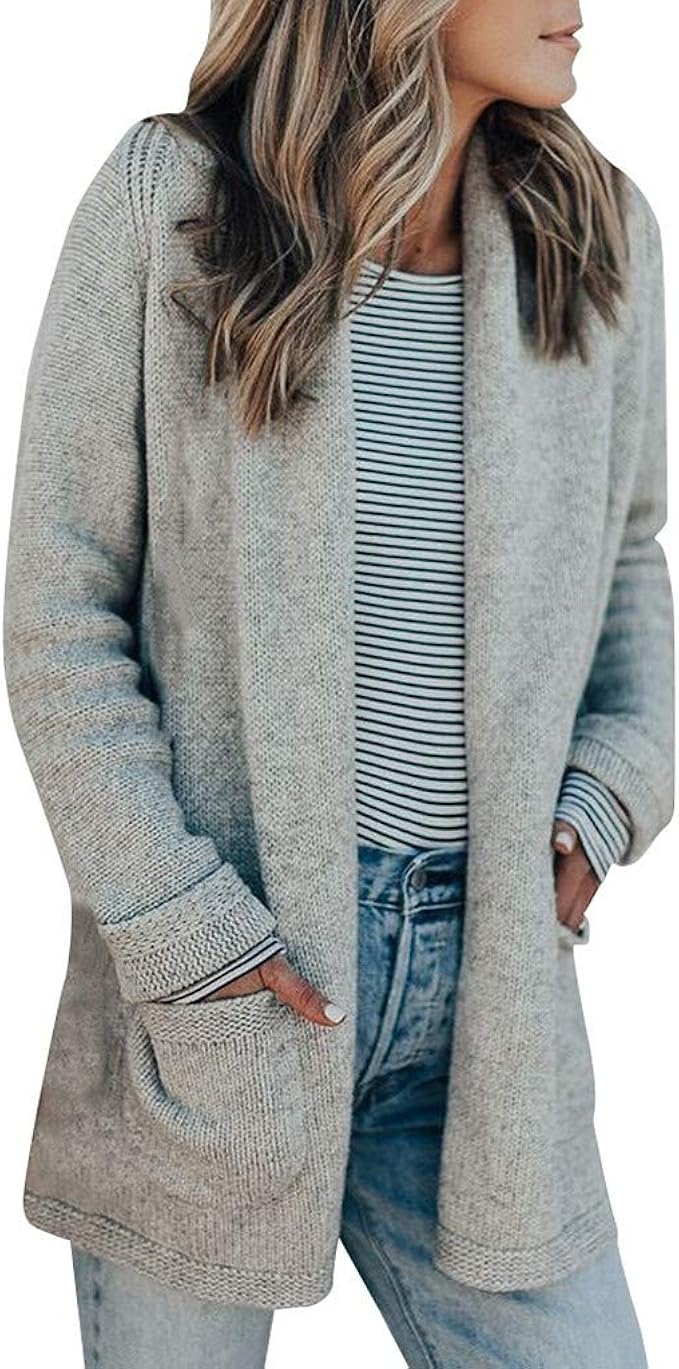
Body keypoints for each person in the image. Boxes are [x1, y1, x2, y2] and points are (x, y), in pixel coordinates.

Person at [4, 2, 673, 1365]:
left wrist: (608, 799)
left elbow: (629, 554)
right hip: (228, 994)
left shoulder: (596, 233)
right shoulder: (175, 202)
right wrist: (184, 927)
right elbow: (59, 600)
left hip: (488, 1012)